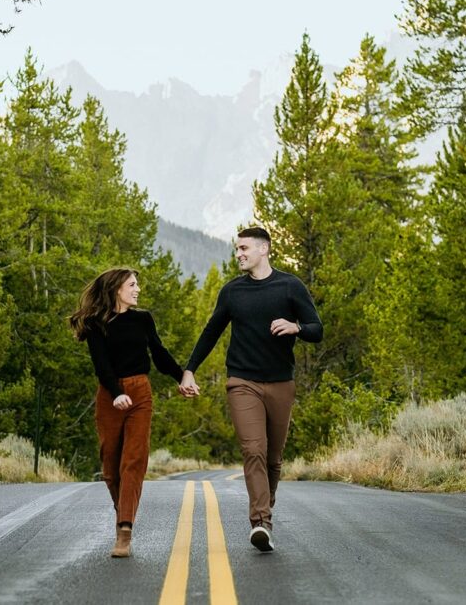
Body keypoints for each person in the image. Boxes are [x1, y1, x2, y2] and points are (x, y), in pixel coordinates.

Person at [178, 226, 322, 552]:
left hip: (281, 383)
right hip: (242, 382)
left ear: (264, 249)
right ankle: (260, 522)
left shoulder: (290, 286)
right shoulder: (232, 292)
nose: (239, 254)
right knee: (253, 450)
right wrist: (189, 371)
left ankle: (264, 507)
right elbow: (211, 332)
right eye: (237, 249)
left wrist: (295, 326)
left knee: (273, 459)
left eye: (244, 248)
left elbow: (317, 329)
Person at [70, 267, 196, 558]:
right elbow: (101, 365)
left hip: (140, 393)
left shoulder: (143, 319)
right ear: (116, 289)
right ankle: (122, 509)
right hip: (110, 395)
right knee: (111, 468)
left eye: (137, 284)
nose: (137, 289)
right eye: (132, 285)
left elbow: (160, 354)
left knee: (134, 461)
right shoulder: (95, 323)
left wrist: (182, 377)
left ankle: (124, 529)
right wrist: (116, 394)